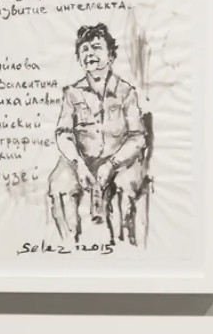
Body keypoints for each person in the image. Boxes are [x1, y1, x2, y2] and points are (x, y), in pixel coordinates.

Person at [48, 23, 150, 246]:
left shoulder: (126, 92)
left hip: (120, 159)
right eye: (84, 49)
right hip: (82, 159)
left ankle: (125, 246)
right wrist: (78, 164)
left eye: (96, 47)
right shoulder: (71, 93)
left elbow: (138, 136)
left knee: (127, 185)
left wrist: (112, 164)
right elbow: (63, 134)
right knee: (59, 184)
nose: (89, 54)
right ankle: (68, 245)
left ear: (111, 56)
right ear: (78, 58)